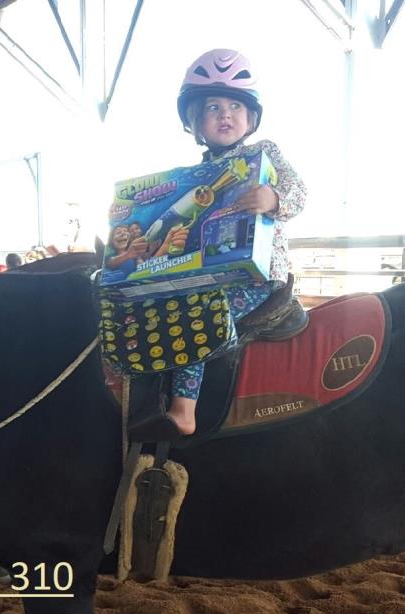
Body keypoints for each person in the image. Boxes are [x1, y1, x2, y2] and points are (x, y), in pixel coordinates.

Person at [165, 49, 306, 435]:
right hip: (210, 272)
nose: (224, 115)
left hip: (255, 276)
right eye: (212, 107)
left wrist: (274, 199)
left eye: (234, 106)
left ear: (250, 117)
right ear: (195, 121)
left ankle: (184, 408)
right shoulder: (195, 176)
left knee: (198, 318)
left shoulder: (264, 153)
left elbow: (299, 191)